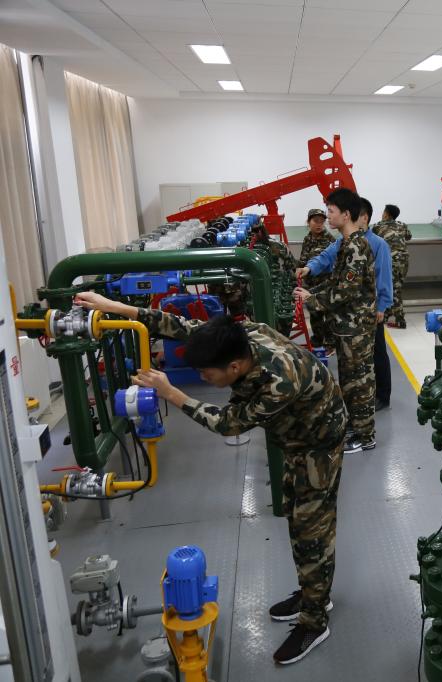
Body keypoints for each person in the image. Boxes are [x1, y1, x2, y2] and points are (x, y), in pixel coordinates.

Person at [73, 293, 345, 666]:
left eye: (207, 374)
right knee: (297, 519)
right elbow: (182, 326)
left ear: (234, 366)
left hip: (317, 444)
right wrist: (116, 308)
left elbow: (227, 424)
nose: (203, 377)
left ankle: (315, 620)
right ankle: (313, 592)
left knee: (311, 530)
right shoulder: (240, 336)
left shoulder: (279, 380)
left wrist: (172, 394)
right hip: (296, 437)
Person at [294, 188, 377, 455]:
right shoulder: (345, 243)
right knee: (350, 381)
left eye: (331, 211)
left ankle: (365, 436)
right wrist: (311, 292)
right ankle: (355, 426)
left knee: (359, 382)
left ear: (346, 214)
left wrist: (312, 299)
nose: (327, 216)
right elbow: (335, 282)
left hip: (356, 328)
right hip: (347, 327)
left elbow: (346, 291)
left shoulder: (355, 246)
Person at [357, 199, 395, 412]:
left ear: (365, 218)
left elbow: (385, 278)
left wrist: (381, 307)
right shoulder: (344, 242)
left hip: (372, 308)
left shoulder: (378, 244)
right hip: (353, 309)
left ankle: (383, 395)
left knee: (377, 351)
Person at [298, 208, 336, 348]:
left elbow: (331, 262)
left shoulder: (330, 240)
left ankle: (330, 340)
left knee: (328, 313)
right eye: (315, 221)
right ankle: (318, 337)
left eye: (321, 221)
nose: (319, 224)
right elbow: (303, 259)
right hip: (311, 283)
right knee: (314, 313)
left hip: (325, 283)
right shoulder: (307, 238)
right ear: (308, 222)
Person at [374, 204, 412, 329]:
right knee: (396, 287)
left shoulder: (378, 226)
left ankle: (400, 320)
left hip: (389, 261)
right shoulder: (402, 225)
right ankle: (386, 314)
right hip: (403, 261)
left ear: (386, 214)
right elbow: (408, 236)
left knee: (392, 289)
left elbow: (372, 239)